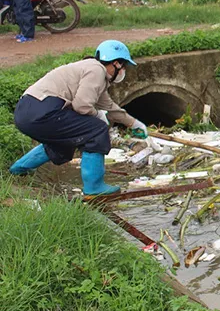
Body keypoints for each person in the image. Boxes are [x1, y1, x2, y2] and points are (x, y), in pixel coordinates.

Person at [9, 40, 148, 195]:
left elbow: (109, 106)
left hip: (26, 113)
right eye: (124, 66)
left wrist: (134, 123)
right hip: (43, 111)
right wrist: (98, 116)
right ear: (115, 63)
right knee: (96, 130)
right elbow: (81, 106)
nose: (123, 71)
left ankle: (19, 169)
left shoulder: (92, 71)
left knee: (66, 142)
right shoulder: (97, 70)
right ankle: (94, 187)